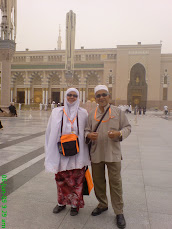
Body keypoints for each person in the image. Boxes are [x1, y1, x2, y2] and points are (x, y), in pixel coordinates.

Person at [85, 85, 131, 229]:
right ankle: (102, 204)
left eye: (104, 94)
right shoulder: (91, 114)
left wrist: (119, 133)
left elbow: (127, 127)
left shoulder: (118, 112)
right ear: (96, 98)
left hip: (113, 153)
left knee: (115, 183)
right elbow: (86, 129)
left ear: (109, 96)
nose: (101, 98)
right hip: (97, 153)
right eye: (98, 96)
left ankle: (119, 212)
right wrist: (88, 135)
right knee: (98, 182)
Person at [45, 88, 90, 216]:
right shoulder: (56, 112)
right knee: (61, 179)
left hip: (78, 152)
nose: (71, 97)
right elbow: (49, 132)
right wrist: (49, 150)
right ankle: (61, 203)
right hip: (61, 152)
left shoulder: (83, 113)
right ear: (65, 96)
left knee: (76, 180)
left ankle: (75, 205)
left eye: (74, 95)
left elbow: (86, 131)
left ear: (78, 97)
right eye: (69, 95)